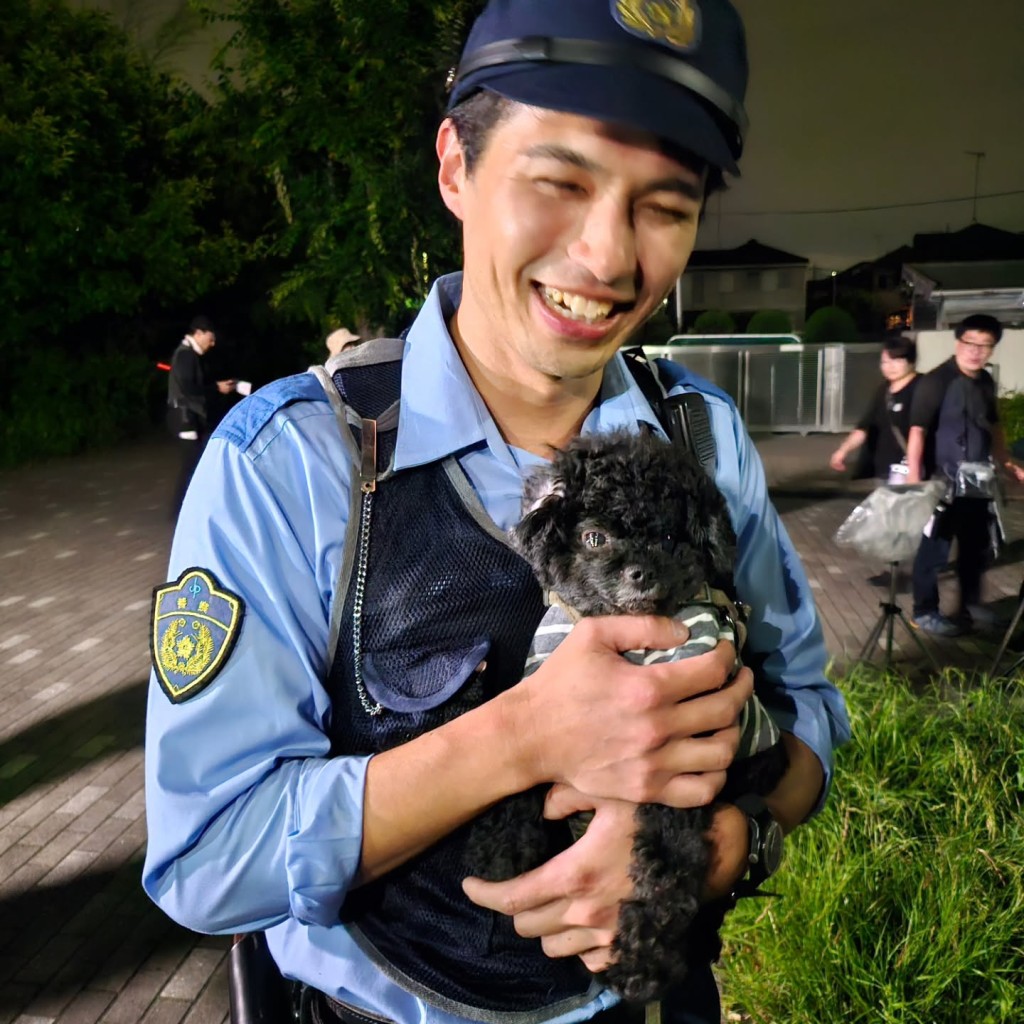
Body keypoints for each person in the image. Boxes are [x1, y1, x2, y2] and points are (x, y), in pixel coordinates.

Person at [143, 4, 850, 1024]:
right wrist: (522, 738)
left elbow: (811, 713)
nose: (608, 257)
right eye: (559, 182)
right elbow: (207, 859)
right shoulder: (288, 461)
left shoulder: (701, 437)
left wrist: (734, 843)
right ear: (454, 168)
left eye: (664, 204)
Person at [906, 313, 1024, 636]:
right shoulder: (936, 380)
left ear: (992, 348)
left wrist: (1006, 461)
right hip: (940, 483)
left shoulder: (984, 381)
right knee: (934, 550)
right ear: (958, 342)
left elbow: (994, 424)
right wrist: (915, 484)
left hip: (977, 483)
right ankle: (924, 610)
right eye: (971, 343)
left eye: (985, 345)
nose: (976, 351)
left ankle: (969, 606)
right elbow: (917, 432)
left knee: (976, 547)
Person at [166, 315, 251, 516]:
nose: (212, 344)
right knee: (192, 466)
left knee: (194, 464)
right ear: (198, 333)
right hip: (186, 419)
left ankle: (183, 511)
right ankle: (181, 512)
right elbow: (188, 388)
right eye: (210, 339)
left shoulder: (187, 354)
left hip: (188, 418)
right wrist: (216, 388)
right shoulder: (186, 355)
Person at [829, 335, 919, 483]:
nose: (889, 367)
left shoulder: (924, 387)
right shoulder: (883, 390)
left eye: (897, 360)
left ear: (911, 361)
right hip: (884, 469)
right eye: (885, 362)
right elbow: (864, 426)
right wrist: (843, 450)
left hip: (913, 469)